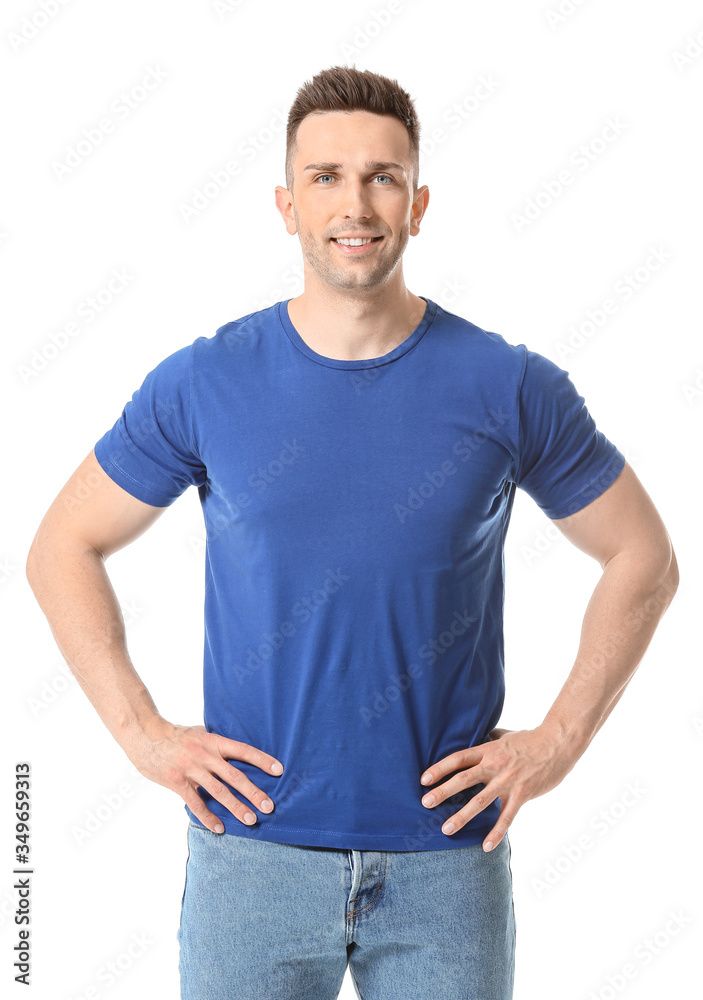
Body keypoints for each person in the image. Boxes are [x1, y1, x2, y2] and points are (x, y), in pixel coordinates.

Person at [25, 65, 679, 1000]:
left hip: (445, 864)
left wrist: (559, 740)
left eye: (382, 176)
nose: (355, 203)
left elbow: (643, 557)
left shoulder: (507, 383)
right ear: (287, 205)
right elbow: (61, 548)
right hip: (251, 856)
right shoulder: (204, 381)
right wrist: (142, 734)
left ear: (418, 204)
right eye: (327, 177)